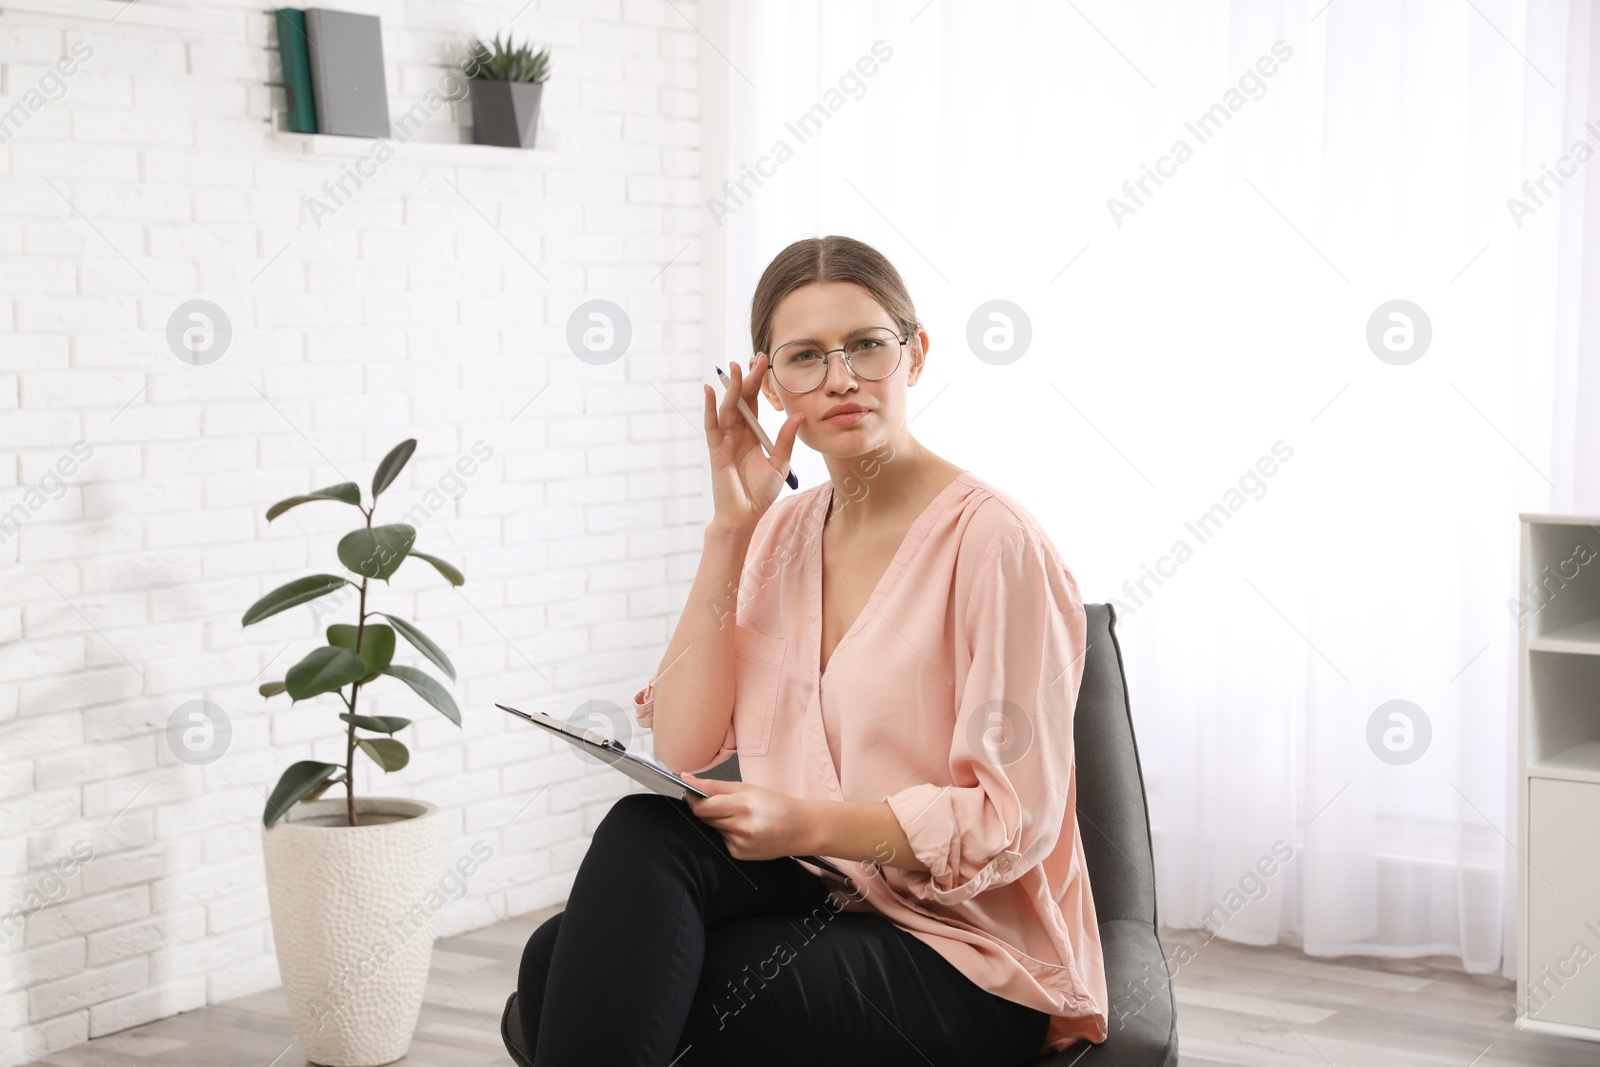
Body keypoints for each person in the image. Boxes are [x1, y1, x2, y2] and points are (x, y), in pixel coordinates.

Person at [506, 235, 1108, 1066]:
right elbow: (684, 744)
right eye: (806, 356)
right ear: (770, 380)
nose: (840, 378)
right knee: (598, 892)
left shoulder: (994, 542)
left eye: (866, 345)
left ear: (916, 354)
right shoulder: (784, 529)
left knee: (668, 979)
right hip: (832, 888)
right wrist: (731, 529)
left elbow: (1014, 821)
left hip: (966, 952)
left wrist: (806, 819)